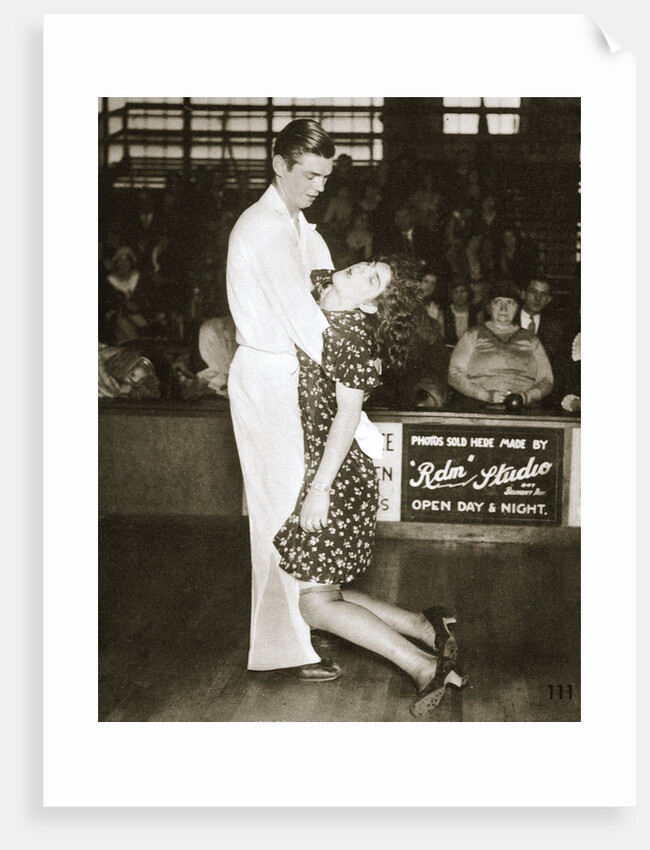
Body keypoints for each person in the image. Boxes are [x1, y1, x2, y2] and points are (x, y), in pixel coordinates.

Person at [273, 259, 467, 717]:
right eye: (366, 266)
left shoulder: (352, 337)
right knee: (324, 586)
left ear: (374, 306)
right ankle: (424, 625)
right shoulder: (322, 285)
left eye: (372, 280)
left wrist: (320, 490)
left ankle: (422, 665)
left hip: (335, 475)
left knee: (317, 604)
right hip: (319, 465)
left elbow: (346, 418)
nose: (359, 273)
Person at [226, 119, 342, 680]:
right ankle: (284, 649)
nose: (320, 185)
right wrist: (354, 380)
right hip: (269, 376)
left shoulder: (301, 228)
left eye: (326, 175)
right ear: (279, 163)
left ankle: (308, 624)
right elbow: (307, 321)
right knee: (277, 512)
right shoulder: (265, 227)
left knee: (300, 508)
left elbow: (331, 303)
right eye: (311, 173)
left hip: (295, 375)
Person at [448, 279, 554, 408]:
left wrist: (526, 396)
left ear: (517, 307)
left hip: (523, 408)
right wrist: (486, 395)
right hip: (479, 405)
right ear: (489, 306)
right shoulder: (473, 334)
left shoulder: (531, 339)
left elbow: (547, 379)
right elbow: (454, 374)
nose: (503, 308)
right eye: (498, 302)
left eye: (509, 303)